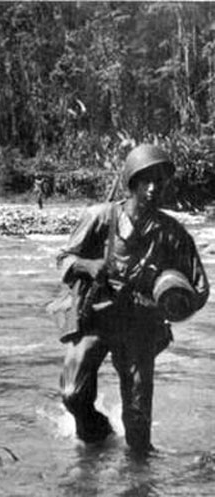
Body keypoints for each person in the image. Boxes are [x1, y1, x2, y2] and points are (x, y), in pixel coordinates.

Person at [56, 144, 209, 453]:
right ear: (132, 182)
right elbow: (63, 259)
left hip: (139, 326)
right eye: (145, 180)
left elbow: (199, 289)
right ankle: (97, 434)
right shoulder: (100, 217)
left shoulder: (173, 233)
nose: (153, 188)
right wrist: (88, 265)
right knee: (73, 394)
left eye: (160, 181)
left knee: (138, 421)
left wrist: (174, 302)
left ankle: (139, 477)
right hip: (95, 317)